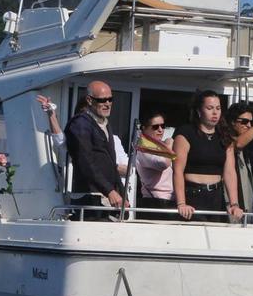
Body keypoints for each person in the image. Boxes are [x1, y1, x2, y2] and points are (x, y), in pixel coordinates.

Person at [172, 90, 244, 222]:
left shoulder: (225, 136)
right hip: (192, 194)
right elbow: (177, 170)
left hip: (217, 196)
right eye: (210, 108)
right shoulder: (185, 133)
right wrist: (181, 203)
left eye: (218, 108)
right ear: (199, 111)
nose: (215, 113)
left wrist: (234, 204)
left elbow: (229, 172)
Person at [63, 81, 124, 219]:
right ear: (89, 100)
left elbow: (110, 161)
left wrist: (120, 192)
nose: (107, 103)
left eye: (110, 99)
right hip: (89, 198)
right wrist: (109, 190)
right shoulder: (80, 124)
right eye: (102, 100)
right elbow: (86, 162)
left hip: (105, 198)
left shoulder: (104, 123)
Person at [135, 112, 175, 218]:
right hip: (155, 202)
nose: (160, 130)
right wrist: (169, 145)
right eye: (155, 127)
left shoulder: (160, 146)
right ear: (144, 128)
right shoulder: (144, 148)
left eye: (163, 126)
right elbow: (164, 163)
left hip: (170, 200)